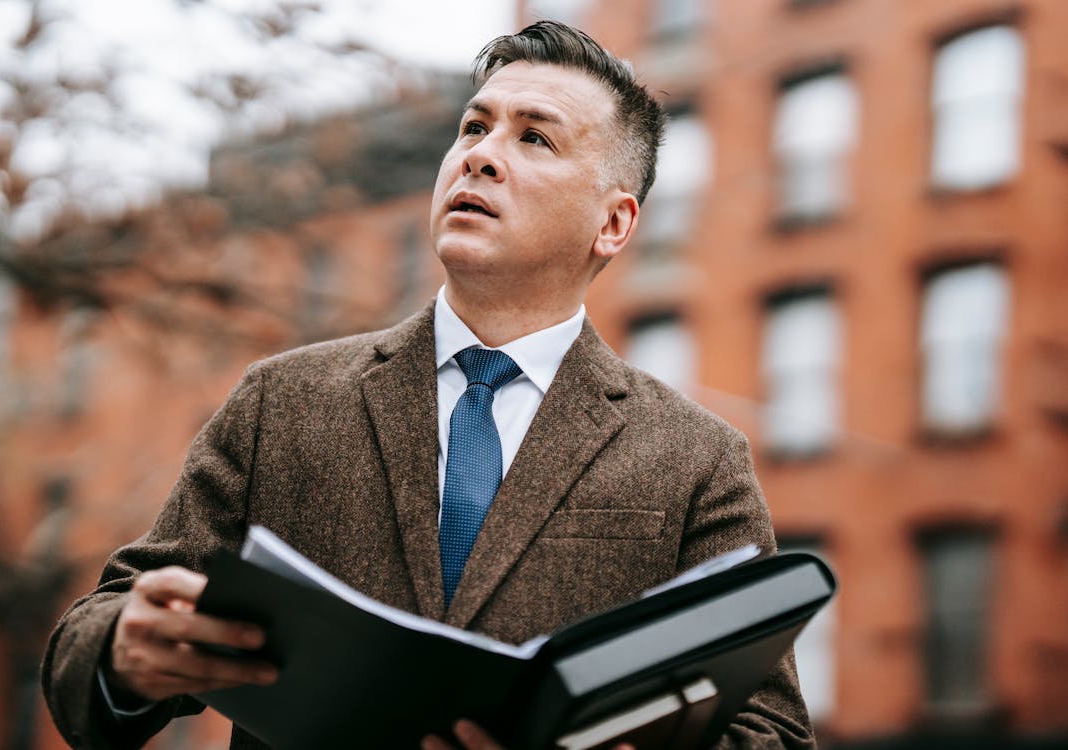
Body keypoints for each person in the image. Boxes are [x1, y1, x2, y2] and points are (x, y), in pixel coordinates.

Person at [41, 21, 815, 750]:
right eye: (474, 128)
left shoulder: (696, 460)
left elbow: (771, 730)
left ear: (612, 224)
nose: (479, 155)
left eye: (533, 137)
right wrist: (124, 654)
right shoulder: (283, 402)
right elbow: (100, 639)